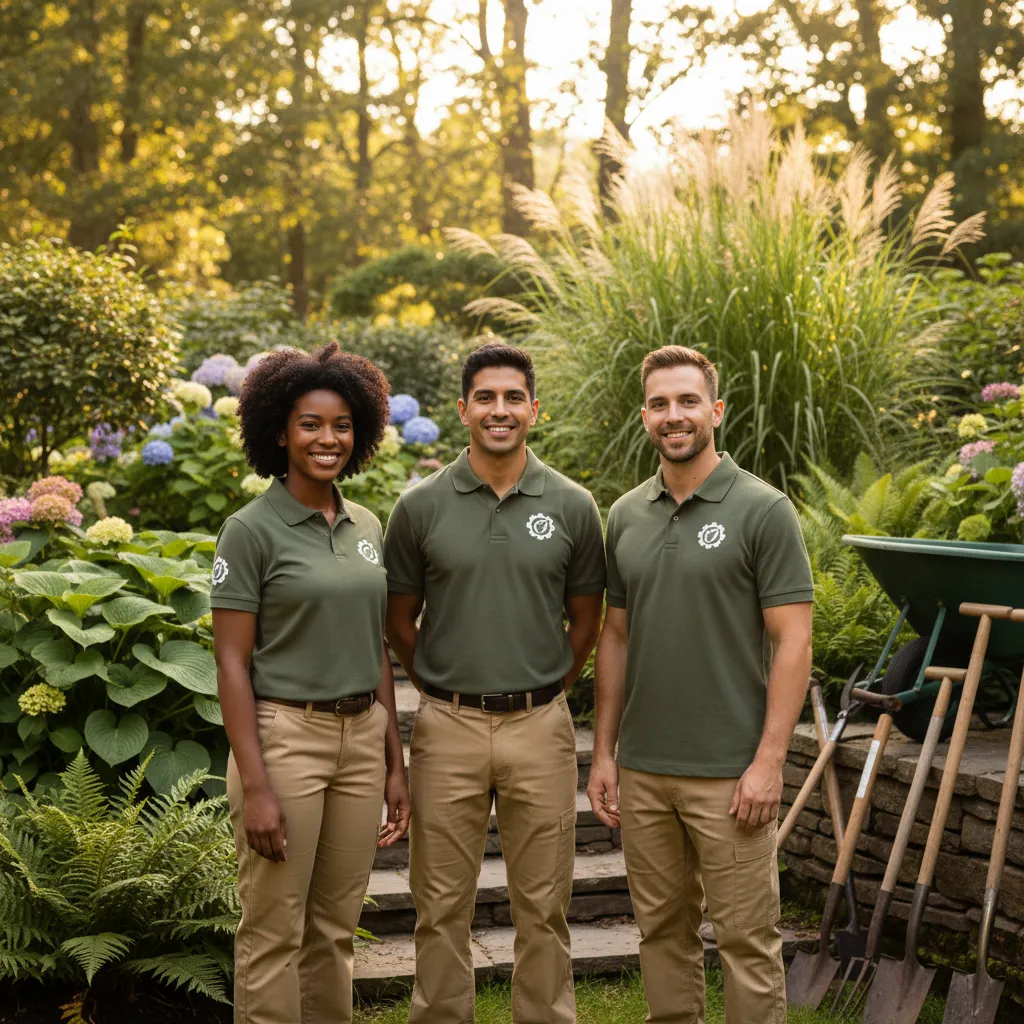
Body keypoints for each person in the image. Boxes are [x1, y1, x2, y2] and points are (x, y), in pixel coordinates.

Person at [587, 345, 813, 1023]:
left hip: (730, 772)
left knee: (746, 940)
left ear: (715, 410)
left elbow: (793, 641)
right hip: (645, 770)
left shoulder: (763, 510)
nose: (673, 415)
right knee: (662, 932)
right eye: (659, 404)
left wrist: (769, 761)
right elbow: (616, 636)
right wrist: (604, 753)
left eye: (688, 401)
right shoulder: (626, 514)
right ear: (644, 417)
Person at [384, 342, 606, 1024]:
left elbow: (586, 621)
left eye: (513, 397)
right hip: (447, 725)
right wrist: (441, 684)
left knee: (544, 905)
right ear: (463, 410)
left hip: (540, 725)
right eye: (485, 397)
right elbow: (398, 619)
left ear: (534, 409)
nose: (499, 410)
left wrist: (545, 686)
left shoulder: (573, 506)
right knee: (439, 904)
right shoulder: (419, 506)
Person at [211, 342, 411, 1024]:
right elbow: (231, 663)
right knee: (274, 932)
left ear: (361, 433)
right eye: (310, 424)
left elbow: (375, 646)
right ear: (278, 432)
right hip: (285, 738)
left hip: (361, 739)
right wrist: (257, 786)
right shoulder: (249, 532)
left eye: (342, 426)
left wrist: (393, 763)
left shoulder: (366, 526)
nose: (328, 438)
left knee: (334, 930)